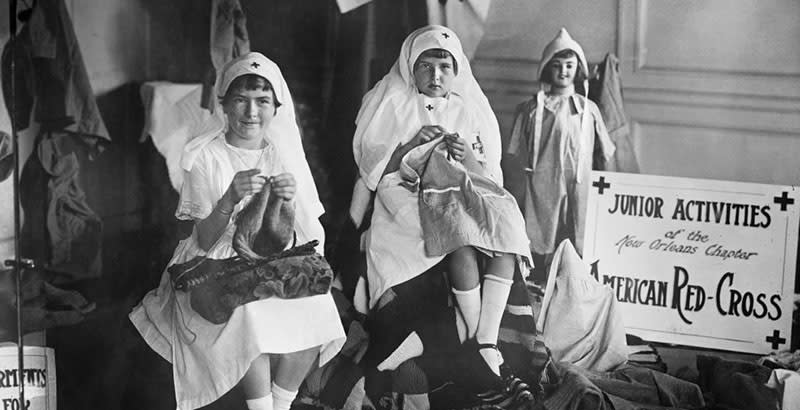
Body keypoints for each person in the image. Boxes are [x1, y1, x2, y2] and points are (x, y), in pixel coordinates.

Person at [129, 52, 345, 410]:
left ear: (276, 108)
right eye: (241, 101)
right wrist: (229, 198)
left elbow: (290, 233)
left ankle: (281, 402)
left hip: (271, 256)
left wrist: (287, 202)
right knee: (252, 316)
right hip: (216, 259)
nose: (251, 112)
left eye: (262, 102)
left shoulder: (281, 153)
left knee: (321, 312)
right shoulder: (204, 157)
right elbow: (203, 239)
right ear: (224, 106)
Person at [352, 25, 532, 401]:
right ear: (410, 69)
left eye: (445, 67)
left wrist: (467, 158)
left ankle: (481, 340)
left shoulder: (468, 110)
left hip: (461, 187)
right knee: (448, 231)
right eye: (426, 66)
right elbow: (373, 173)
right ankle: (468, 341)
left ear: (457, 72)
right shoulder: (393, 104)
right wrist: (406, 149)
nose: (435, 76)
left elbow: (488, 175)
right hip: (405, 191)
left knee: (504, 222)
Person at [506, 27, 615, 266]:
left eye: (569, 65)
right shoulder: (531, 108)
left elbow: (606, 152)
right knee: (544, 229)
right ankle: (542, 274)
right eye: (556, 65)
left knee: (580, 227)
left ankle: (577, 274)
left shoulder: (588, 109)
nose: (563, 71)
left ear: (578, 68)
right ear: (547, 67)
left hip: (580, 179)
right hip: (543, 179)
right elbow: (513, 153)